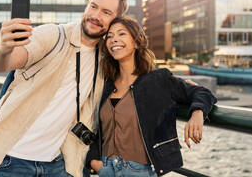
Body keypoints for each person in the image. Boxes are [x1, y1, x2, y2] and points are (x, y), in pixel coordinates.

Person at [0, 0, 129, 177]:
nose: (96, 16)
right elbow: (5, 62)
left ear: (116, 20)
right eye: (93, 6)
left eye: (106, 12)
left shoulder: (105, 59)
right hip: (9, 161)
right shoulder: (54, 35)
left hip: (58, 165)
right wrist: (4, 48)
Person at [86, 17, 217, 176]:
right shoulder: (105, 84)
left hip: (139, 171)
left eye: (121, 34)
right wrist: (95, 162)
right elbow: (93, 125)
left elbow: (202, 92)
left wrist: (197, 113)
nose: (114, 40)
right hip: (105, 168)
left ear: (136, 42)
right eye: (110, 36)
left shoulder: (157, 80)